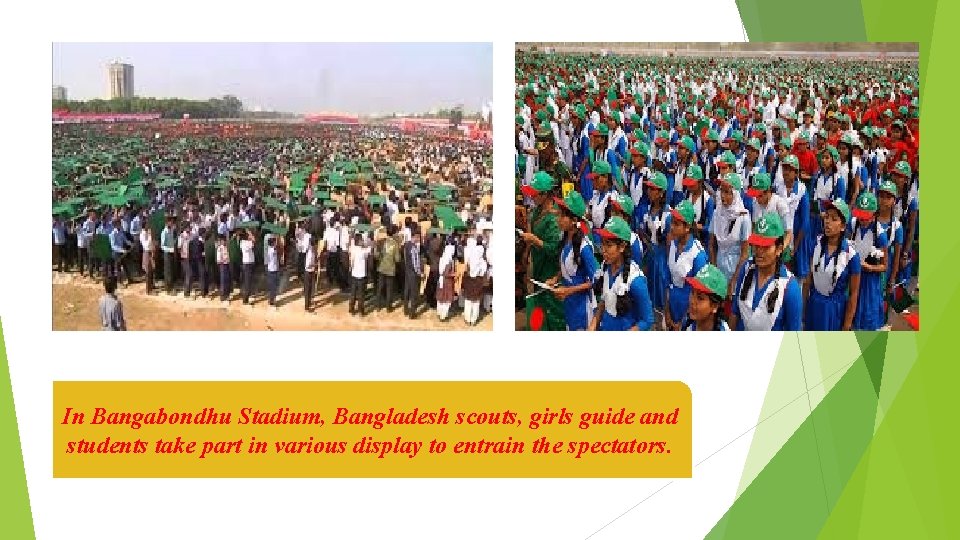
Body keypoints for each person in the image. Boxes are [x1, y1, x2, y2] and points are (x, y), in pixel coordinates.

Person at [730, 212, 803, 331]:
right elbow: (735, 312)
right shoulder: (746, 268)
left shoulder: (790, 288)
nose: (759, 251)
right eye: (756, 245)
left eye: (765, 247)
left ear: (779, 249)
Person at [587, 216, 653, 331]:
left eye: (608, 245)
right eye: (602, 244)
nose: (603, 250)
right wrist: (593, 324)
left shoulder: (636, 280)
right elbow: (605, 299)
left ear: (622, 247)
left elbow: (647, 320)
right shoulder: (605, 266)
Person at [804, 199, 861, 331]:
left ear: (842, 226)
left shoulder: (851, 255)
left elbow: (854, 293)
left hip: (834, 311)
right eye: (827, 217)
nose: (827, 222)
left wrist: (846, 325)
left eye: (834, 219)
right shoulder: (816, 243)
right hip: (814, 305)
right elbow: (808, 279)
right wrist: (804, 309)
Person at [518, 171, 565, 331]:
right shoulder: (538, 210)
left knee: (551, 306)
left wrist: (534, 240)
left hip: (550, 269)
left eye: (535, 194)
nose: (531, 197)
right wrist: (528, 250)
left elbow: (553, 249)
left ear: (545, 195)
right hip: (538, 264)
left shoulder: (553, 218)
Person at [546, 191, 598, 330]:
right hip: (570, 304)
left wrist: (569, 290)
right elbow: (568, 266)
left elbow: (596, 280)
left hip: (582, 308)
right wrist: (556, 278)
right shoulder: (565, 238)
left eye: (563, 216)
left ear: (574, 220)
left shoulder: (584, 247)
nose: (558, 219)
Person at [664, 200, 707, 331]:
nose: (672, 227)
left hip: (687, 309)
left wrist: (683, 321)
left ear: (687, 227)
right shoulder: (672, 244)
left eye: (676, 224)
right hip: (672, 304)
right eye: (672, 222)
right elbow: (668, 279)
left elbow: (699, 294)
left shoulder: (697, 255)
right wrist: (666, 311)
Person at [849, 192, 888, 330]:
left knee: (867, 319)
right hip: (854, 277)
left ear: (874, 215)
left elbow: (884, 266)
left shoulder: (880, 235)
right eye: (860, 216)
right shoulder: (853, 225)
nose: (862, 220)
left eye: (866, 217)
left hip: (869, 282)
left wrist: (870, 267)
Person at [709, 172, 751, 293]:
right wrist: (714, 269)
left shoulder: (743, 218)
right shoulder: (717, 213)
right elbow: (712, 244)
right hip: (718, 268)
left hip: (735, 271)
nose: (723, 196)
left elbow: (744, 253)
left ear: (736, 194)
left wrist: (734, 280)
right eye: (722, 191)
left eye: (727, 192)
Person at [681, 264, 730, 331]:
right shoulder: (688, 322)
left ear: (715, 306)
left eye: (700, 298)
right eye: (692, 293)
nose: (692, 301)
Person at [461, 236, 487, 326]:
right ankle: (473, 320)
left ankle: (467, 319)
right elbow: (483, 273)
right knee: (476, 302)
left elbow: (466, 270)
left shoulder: (470, 259)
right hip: (478, 282)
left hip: (469, 281)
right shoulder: (483, 262)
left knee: (468, 300)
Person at [376, 224, 401, 311]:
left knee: (380, 287)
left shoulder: (382, 242)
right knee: (389, 289)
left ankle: (378, 306)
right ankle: (388, 307)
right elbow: (397, 259)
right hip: (390, 269)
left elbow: (376, 255)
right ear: (394, 233)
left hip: (382, 267)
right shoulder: (395, 244)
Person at [348, 232, 371, 316]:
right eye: (361, 240)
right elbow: (369, 248)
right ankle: (361, 311)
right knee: (361, 294)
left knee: (353, 293)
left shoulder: (353, 249)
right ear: (359, 241)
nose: (362, 241)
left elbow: (350, 248)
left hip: (354, 274)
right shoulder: (363, 251)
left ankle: (351, 309)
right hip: (361, 275)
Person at [403, 230, 424, 318]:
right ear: (415, 236)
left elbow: (405, 257)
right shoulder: (414, 248)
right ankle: (412, 313)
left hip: (407, 270)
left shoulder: (407, 245)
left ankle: (406, 309)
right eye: (418, 237)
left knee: (407, 291)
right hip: (413, 273)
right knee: (414, 293)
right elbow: (415, 264)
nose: (419, 239)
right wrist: (420, 273)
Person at [435, 244, 457, 321]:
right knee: (446, 298)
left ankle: (439, 312)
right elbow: (447, 273)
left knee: (441, 297)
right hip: (447, 282)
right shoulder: (449, 261)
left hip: (441, 280)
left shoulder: (442, 258)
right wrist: (454, 274)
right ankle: (443, 315)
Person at [160, 217, 177, 294]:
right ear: (167, 223)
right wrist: (170, 249)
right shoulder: (164, 232)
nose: (172, 223)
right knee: (168, 271)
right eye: (171, 222)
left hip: (172, 252)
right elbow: (162, 245)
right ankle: (168, 289)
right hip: (167, 253)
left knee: (171, 270)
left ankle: (171, 286)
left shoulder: (171, 230)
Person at [264, 233, 281, 309]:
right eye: (274, 242)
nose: (275, 243)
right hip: (272, 270)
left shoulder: (271, 249)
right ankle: (271, 302)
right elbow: (276, 248)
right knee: (273, 287)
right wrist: (278, 237)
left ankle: (272, 300)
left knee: (273, 286)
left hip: (273, 270)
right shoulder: (271, 250)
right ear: (272, 243)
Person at [240, 229, 256, 305]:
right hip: (248, 264)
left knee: (248, 281)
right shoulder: (246, 243)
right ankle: (245, 299)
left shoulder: (242, 242)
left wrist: (249, 234)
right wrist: (250, 233)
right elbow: (254, 240)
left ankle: (247, 296)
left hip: (248, 263)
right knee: (247, 282)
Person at [139, 225, 156, 294]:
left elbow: (152, 243)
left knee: (152, 270)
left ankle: (151, 286)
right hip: (147, 253)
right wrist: (149, 236)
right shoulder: (143, 234)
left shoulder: (147, 233)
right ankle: (148, 290)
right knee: (148, 271)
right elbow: (146, 245)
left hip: (151, 252)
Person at [216, 234, 231, 305]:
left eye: (225, 240)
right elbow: (218, 260)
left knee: (227, 279)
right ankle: (222, 296)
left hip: (227, 264)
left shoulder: (226, 247)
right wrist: (224, 260)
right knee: (223, 280)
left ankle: (227, 295)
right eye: (223, 240)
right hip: (222, 265)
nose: (224, 242)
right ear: (221, 241)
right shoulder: (220, 248)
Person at [304, 235, 317, 312]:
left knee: (310, 288)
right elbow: (308, 264)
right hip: (308, 272)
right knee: (308, 289)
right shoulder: (310, 253)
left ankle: (309, 303)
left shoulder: (312, 250)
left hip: (311, 271)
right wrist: (315, 265)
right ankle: (307, 306)